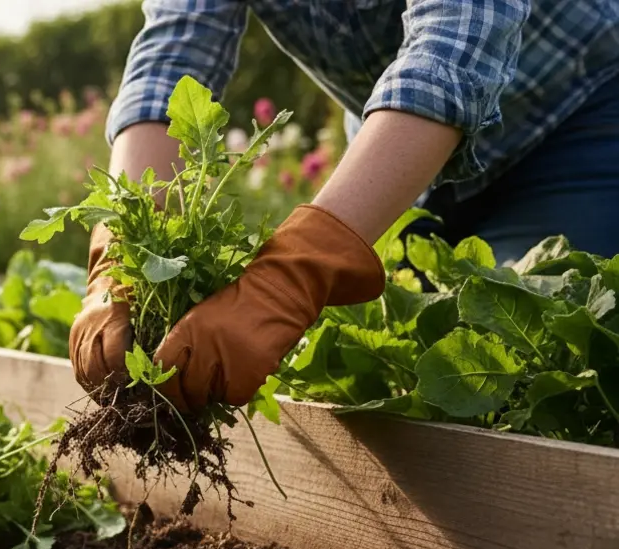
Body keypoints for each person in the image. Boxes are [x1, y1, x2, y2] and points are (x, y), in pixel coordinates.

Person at [71, 0, 619, 414]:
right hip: (399, 152)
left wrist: (297, 269)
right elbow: (174, 49)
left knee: (526, 377)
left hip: (578, 113)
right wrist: (124, 248)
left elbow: (456, 40)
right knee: (409, 378)